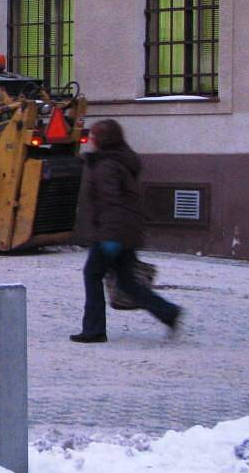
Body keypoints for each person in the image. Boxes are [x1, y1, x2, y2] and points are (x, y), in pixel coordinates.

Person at [71, 119, 181, 343]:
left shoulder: (107, 165)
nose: (90, 141)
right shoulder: (119, 161)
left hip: (114, 232)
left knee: (92, 275)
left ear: (101, 139)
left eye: (93, 136)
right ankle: (167, 312)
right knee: (127, 282)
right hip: (125, 231)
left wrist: (109, 236)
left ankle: (94, 330)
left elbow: (111, 202)